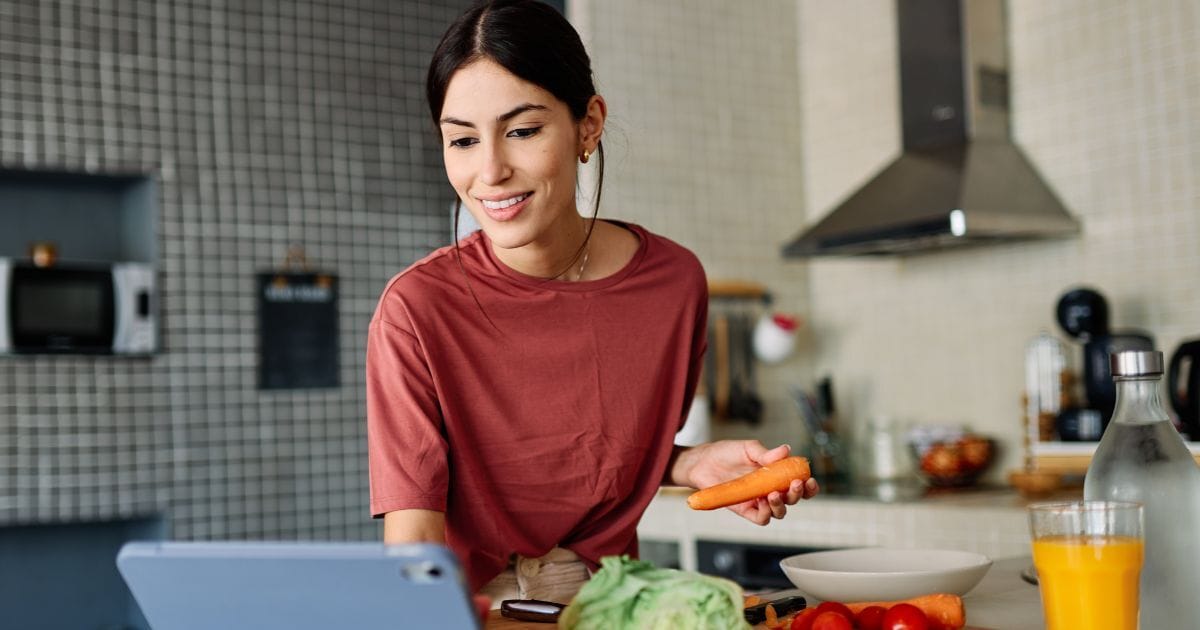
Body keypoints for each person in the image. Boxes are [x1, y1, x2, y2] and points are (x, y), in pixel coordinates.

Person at [366, 0, 819, 607]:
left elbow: (591, 453)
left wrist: (686, 465)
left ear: (589, 124)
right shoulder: (416, 309)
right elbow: (414, 538)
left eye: (522, 131)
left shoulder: (673, 284)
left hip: (612, 600)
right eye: (463, 140)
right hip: (469, 605)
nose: (490, 170)